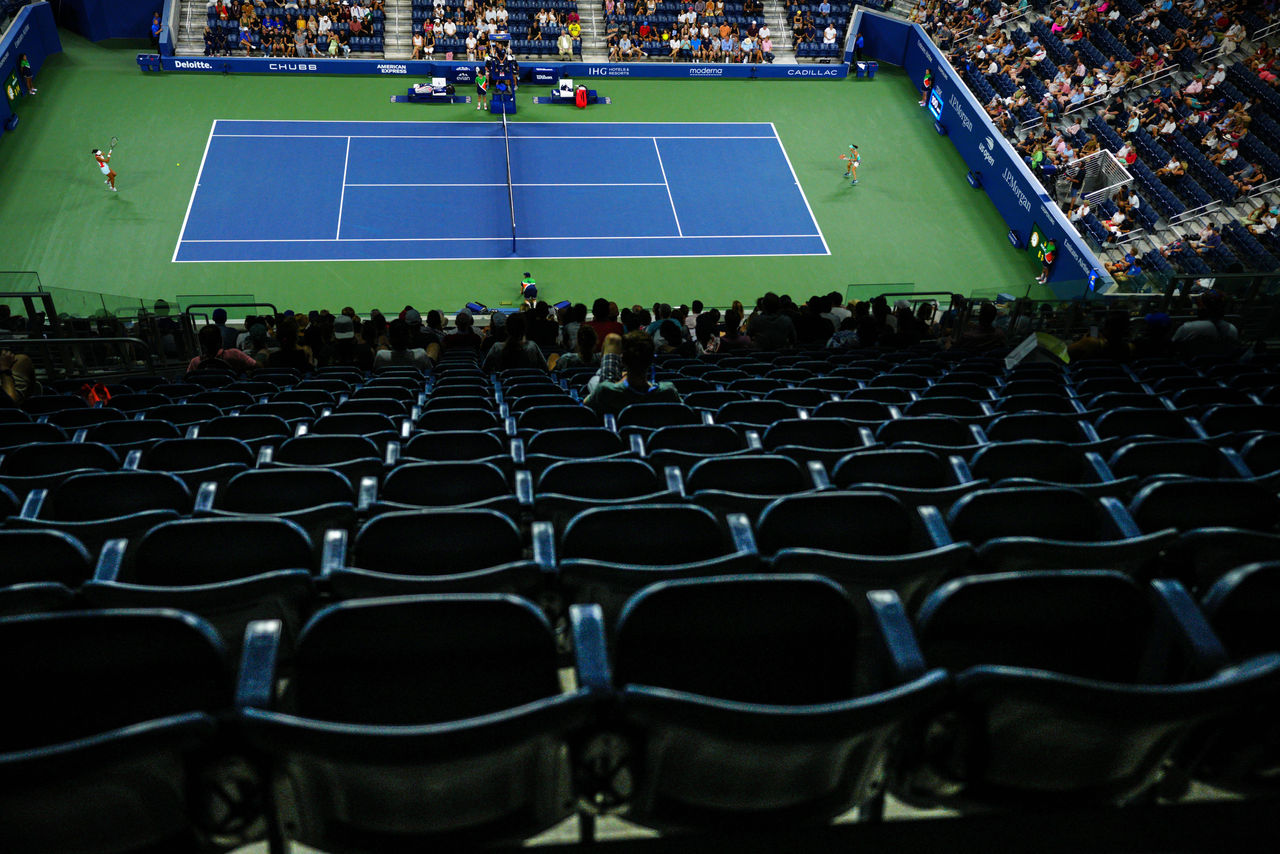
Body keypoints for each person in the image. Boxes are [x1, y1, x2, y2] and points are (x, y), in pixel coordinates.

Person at [583, 331, 681, 416]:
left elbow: (585, 406)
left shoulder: (605, 391)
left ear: (622, 360)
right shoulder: (669, 392)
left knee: (595, 380)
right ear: (651, 360)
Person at [187, 323, 264, 374]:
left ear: (201, 343)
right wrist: (263, 352)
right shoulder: (235, 354)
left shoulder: (195, 362)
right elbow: (257, 366)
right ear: (221, 340)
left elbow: (188, 380)